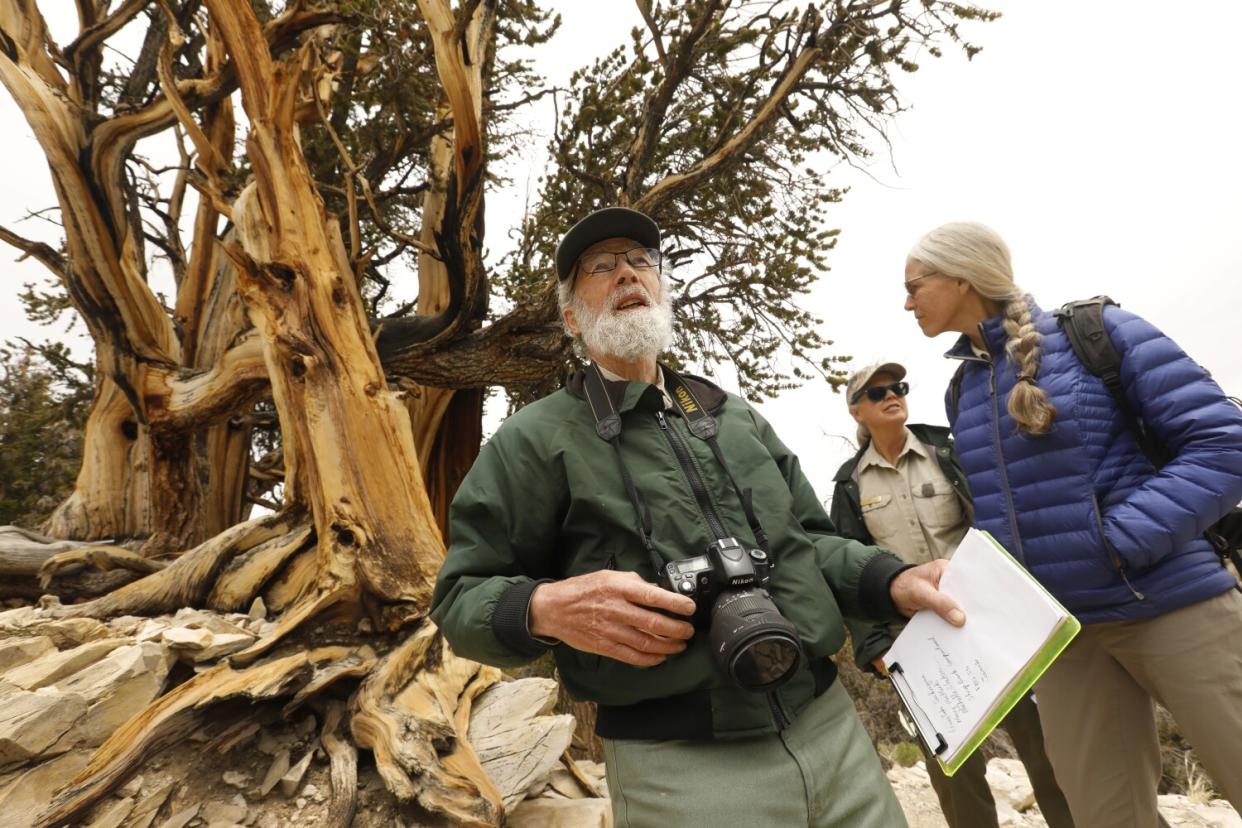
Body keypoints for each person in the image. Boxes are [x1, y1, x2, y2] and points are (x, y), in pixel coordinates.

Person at [431, 206, 966, 828]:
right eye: (601, 267)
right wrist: (544, 608)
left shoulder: (732, 414)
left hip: (832, 728)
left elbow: (810, 543)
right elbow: (460, 598)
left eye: (641, 262)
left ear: (661, 287)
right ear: (572, 316)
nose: (628, 275)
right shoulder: (532, 439)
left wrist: (891, 580)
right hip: (679, 771)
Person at [902, 221, 1242, 828]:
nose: (907, 303)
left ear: (960, 277)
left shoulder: (1097, 333)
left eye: (915, 285)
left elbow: (1224, 445)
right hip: (1064, 638)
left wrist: (1119, 542)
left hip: (1170, 604)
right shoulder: (964, 388)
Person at [830, 361, 1075, 828]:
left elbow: (998, 516)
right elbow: (850, 574)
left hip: (991, 621)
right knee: (955, 772)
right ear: (856, 411)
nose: (891, 395)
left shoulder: (948, 449)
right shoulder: (848, 485)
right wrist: (876, 646)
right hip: (917, 643)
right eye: (877, 391)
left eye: (898, 386)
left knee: (1048, 749)